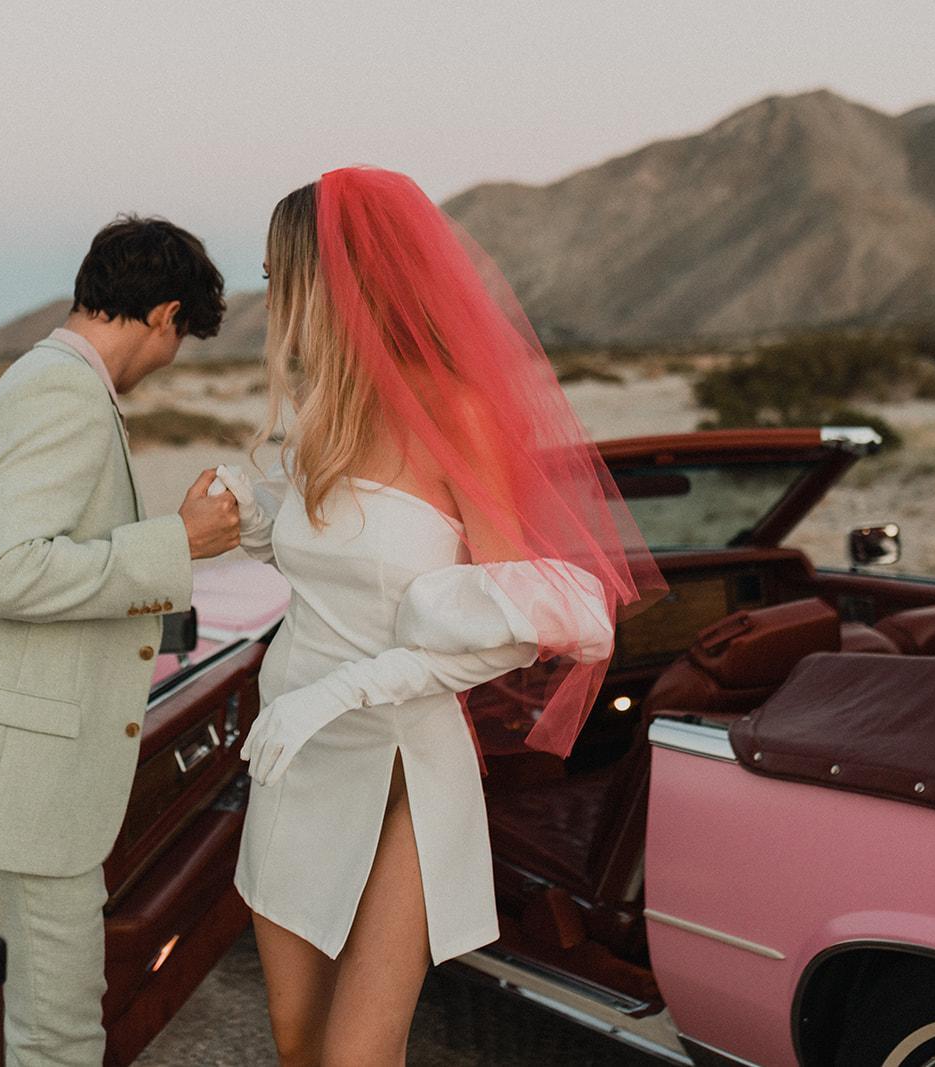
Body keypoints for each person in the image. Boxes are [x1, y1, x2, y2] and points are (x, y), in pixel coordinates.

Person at [215, 166, 665, 1065]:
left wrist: (350, 687)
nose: (270, 301)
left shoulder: (453, 411)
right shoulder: (320, 413)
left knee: (354, 1056)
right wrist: (247, 513)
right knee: (297, 1039)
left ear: (335, 281)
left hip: (403, 763)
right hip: (296, 753)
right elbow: (333, 556)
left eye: (279, 276)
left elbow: (521, 612)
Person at [0, 215, 241, 1066]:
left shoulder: (43, 378)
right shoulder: (62, 392)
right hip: (30, 790)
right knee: (54, 1037)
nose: (169, 359)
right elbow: (8, 571)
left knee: (2, 1024)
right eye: (179, 339)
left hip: (13, 781)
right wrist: (178, 542)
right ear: (164, 315)